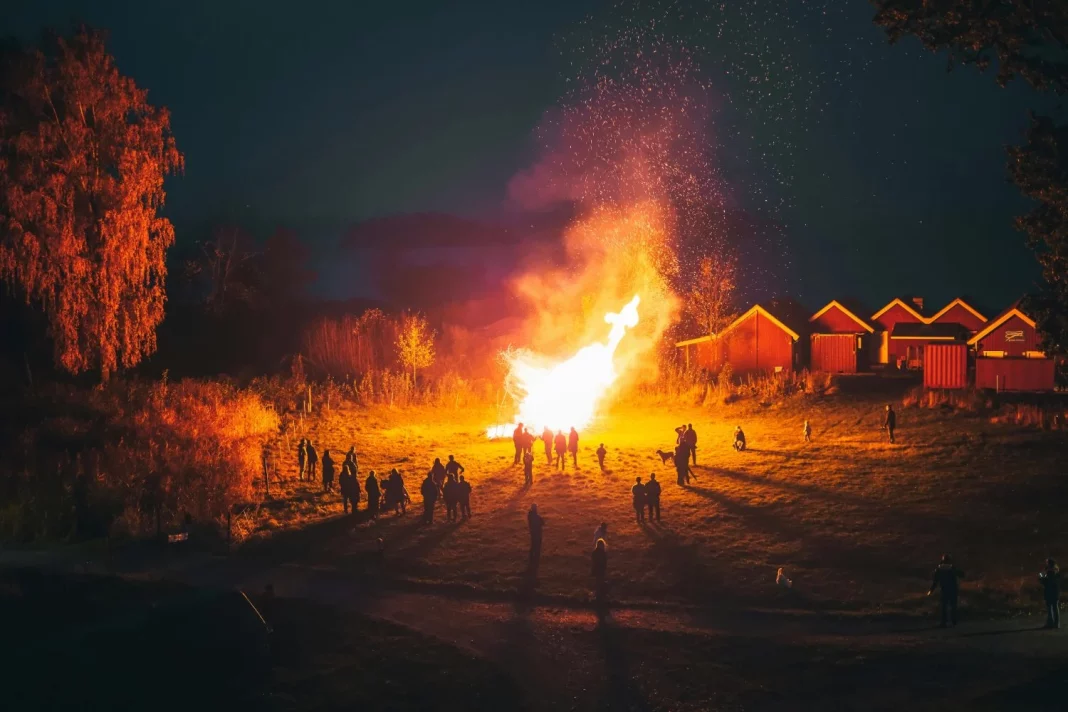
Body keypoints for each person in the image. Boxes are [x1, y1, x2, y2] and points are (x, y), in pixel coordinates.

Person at [928, 554, 964, 627]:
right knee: (953, 606)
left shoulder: (939, 569)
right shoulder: (952, 568)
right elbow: (962, 574)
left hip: (944, 590)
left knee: (944, 606)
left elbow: (935, 581)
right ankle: (954, 621)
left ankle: (943, 622)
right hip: (953, 589)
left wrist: (931, 590)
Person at [1040, 557, 1061, 629]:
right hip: (1055, 592)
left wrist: (1042, 577)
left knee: (1050, 608)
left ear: (1049, 564)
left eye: (1047, 563)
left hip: (1050, 592)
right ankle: (1056, 624)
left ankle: (1050, 623)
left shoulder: (1049, 572)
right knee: (1055, 607)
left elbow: (1046, 583)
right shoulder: (1056, 571)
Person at [528, 504, 544, 568]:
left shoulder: (530, 515)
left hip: (533, 532)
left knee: (533, 545)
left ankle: (531, 558)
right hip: (537, 533)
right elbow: (542, 522)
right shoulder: (537, 517)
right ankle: (535, 560)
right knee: (537, 546)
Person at [592, 538, 608, 603]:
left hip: (597, 569)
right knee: (600, 582)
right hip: (600, 570)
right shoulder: (603, 553)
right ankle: (599, 596)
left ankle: (598, 595)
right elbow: (604, 562)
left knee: (598, 582)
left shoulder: (595, 552)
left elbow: (593, 561)